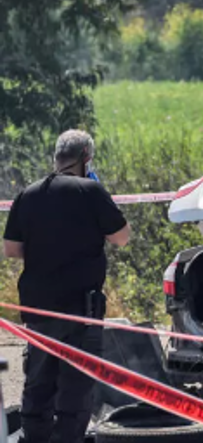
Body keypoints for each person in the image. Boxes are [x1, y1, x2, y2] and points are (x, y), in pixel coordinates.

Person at [2, 129, 130, 443]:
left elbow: (11, 249)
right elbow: (121, 238)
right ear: (86, 157)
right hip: (79, 313)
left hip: (38, 311)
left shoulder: (29, 194)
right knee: (74, 392)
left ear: (57, 158)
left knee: (38, 387)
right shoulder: (91, 192)